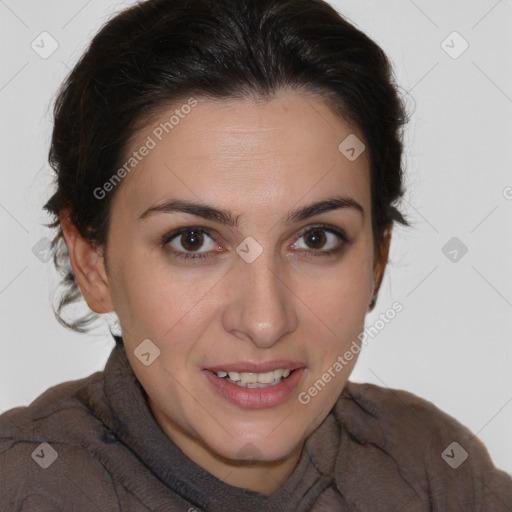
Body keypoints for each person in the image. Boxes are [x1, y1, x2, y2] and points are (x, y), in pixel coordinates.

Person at [1, 0, 511, 510]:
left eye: (316, 238)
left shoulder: (438, 474)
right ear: (94, 263)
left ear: (377, 260)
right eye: (193, 241)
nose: (264, 322)